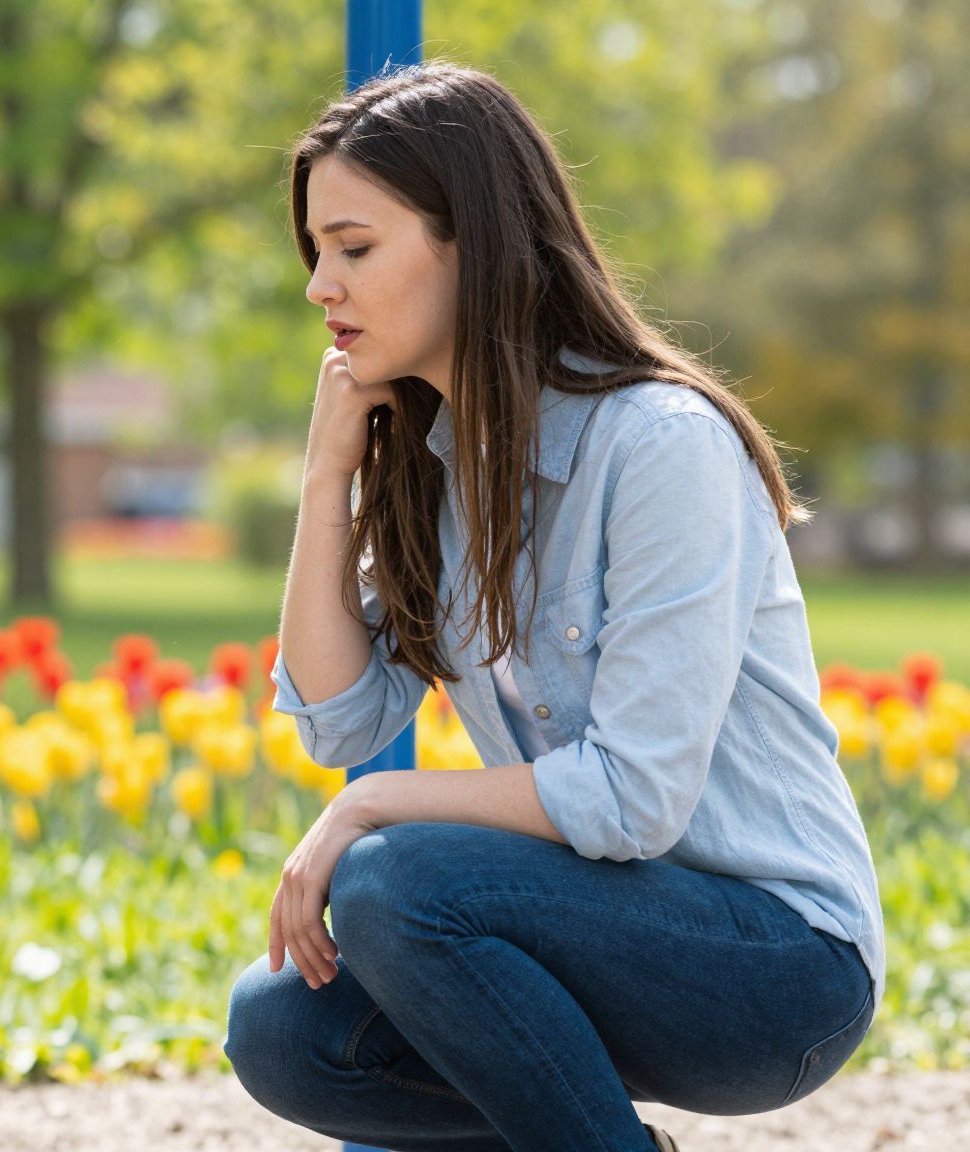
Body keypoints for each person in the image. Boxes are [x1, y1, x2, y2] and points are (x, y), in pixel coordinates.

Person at [222, 63, 881, 1152]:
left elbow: (632, 800)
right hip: (588, 933)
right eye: (315, 254)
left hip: (774, 966)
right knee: (284, 1032)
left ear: (468, 242)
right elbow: (338, 719)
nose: (317, 287)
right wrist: (325, 472)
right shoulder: (434, 467)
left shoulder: (660, 445)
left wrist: (369, 809)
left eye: (352, 247)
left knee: (395, 884)